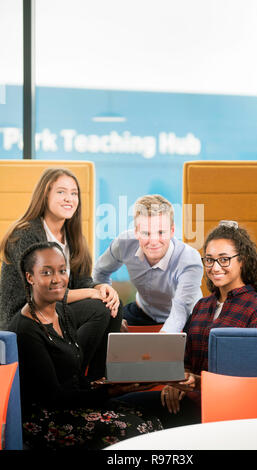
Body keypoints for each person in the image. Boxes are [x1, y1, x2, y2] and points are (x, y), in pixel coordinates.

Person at [118, 220, 257, 427]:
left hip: (226, 415)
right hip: (186, 402)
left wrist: (199, 383)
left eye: (224, 259)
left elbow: (256, 382)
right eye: (209, 260)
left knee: (123, 419)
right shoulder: (202, 306)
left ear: (242, 261)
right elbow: (185, 358)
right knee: (116, 406)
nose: (215, 267)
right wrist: (176, 382)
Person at [9, 241, 163, 450]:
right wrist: (110, 393)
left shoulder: (62, 314)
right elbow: (54, 398)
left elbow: (74, 376)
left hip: (71, 403)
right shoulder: (26, 329)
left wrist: (109, 385)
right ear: (30, 277)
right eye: (46, 273)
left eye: (62, 271)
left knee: (152, 421)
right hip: (44, 419)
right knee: (139, 428)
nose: (57, 279)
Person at [0, 167, 121, 379]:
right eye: (61, 192)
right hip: (24, 314)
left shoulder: (72, 236)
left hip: (54, 308)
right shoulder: (26, 234)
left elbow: (82, 280)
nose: (69, 199)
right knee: (97, 309)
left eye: (74, 193)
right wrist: (90, 294)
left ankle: (98, 380)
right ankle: (69, 376)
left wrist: (99, 288)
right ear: (45, 195)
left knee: (112, 307)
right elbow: (42, 293)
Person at [93, 194, 203, 333]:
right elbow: (100, 272)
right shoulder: (124, 244)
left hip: (187, 316)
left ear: (172, 231)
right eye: (146, 233)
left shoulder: (189, 259)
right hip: (143, 311)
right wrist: (112, 315)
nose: (154, 241)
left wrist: (159, 340)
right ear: (136, 232)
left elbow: (180, 312)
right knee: (102, 327)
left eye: (161, 232)